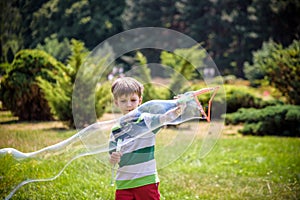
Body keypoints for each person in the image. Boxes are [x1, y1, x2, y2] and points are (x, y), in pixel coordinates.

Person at [109, 77, 185, 200]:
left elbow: (165, 117)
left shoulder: (147, 120)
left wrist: (178, 108)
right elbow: (112, 157)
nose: (129, 105)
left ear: (140, 100)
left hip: (146, 181)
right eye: (123, 101)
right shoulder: (116, 129)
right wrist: (113, 158)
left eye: (133, 100)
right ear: (116, 102)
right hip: (123, 183)